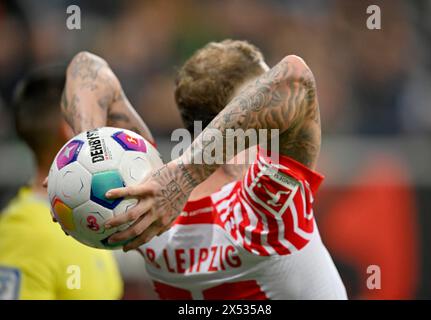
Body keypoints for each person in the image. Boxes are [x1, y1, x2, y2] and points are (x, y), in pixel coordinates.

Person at [62, 39, 347, 299]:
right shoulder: (268, 205)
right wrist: (184, 176)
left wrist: (91, 156)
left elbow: (88, 68)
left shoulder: (144, 205)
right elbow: (295, 77)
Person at [0, 66, 123, 300]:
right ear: (70, 129)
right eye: (96, 114)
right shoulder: (24, 234)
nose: (106, 126)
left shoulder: (90, 214)